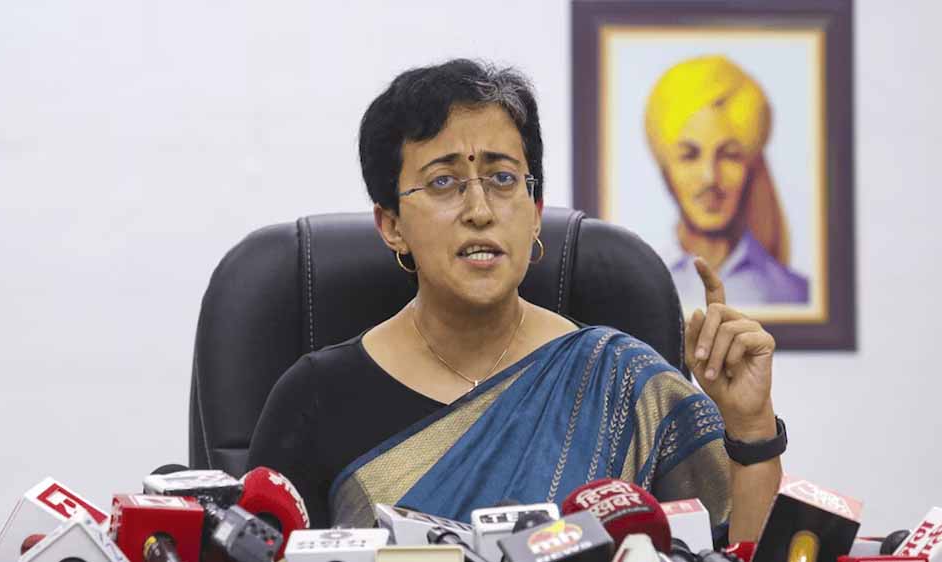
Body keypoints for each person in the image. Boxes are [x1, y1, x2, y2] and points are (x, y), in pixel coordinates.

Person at [246, 59, 784, 544]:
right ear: (392, 225)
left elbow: (743, 552)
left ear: (535, 212)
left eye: (503, 179)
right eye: (443, 181)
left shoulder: (623, 383)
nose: (480, 210)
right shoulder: (313, 400)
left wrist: (751, 425)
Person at [645, 55, 809, 307]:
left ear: (751, 165)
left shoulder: (794, 293)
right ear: (665, 168)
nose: (710, 177)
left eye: (729, 155)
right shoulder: (638, 285)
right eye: (689, 156)